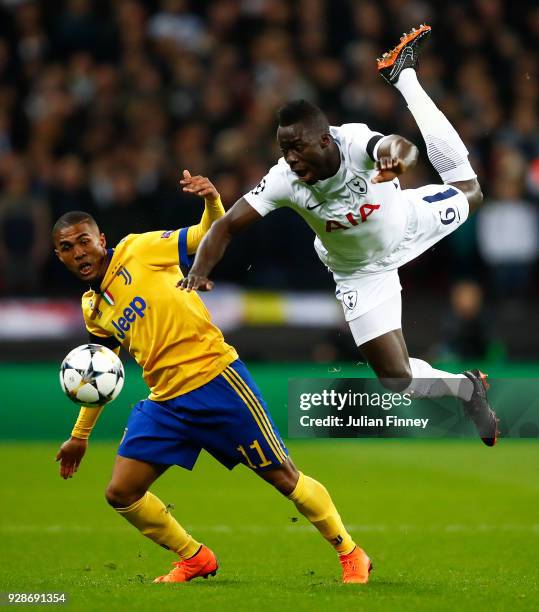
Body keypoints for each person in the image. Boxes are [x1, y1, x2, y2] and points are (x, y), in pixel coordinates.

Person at [178, 25, 499, 446]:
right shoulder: (283, 180)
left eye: (298, 148)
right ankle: (467, 389)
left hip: (408, 221)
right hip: (359, 272)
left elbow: (399, 148)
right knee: (396, 379)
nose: (291, 159)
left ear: (325, 140)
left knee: (471, 190)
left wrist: (395, 162)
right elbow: (225, 226)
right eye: (284, 150)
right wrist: (199, 269)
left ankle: (405, 76)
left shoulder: (353, 141)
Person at [52, 171, 372, 585]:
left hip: (217, 380)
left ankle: (350, 552)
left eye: (83, 241)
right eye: (66, 247)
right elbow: (101, 371)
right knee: (121, 492)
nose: (78, 252)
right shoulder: (92, 308)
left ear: (101, 239)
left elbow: (206, 235)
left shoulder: (138, 249)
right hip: (166, 401)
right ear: (58, 256)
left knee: (283, 477)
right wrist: (80, 436)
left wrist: (212, 202)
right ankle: (195, 557)